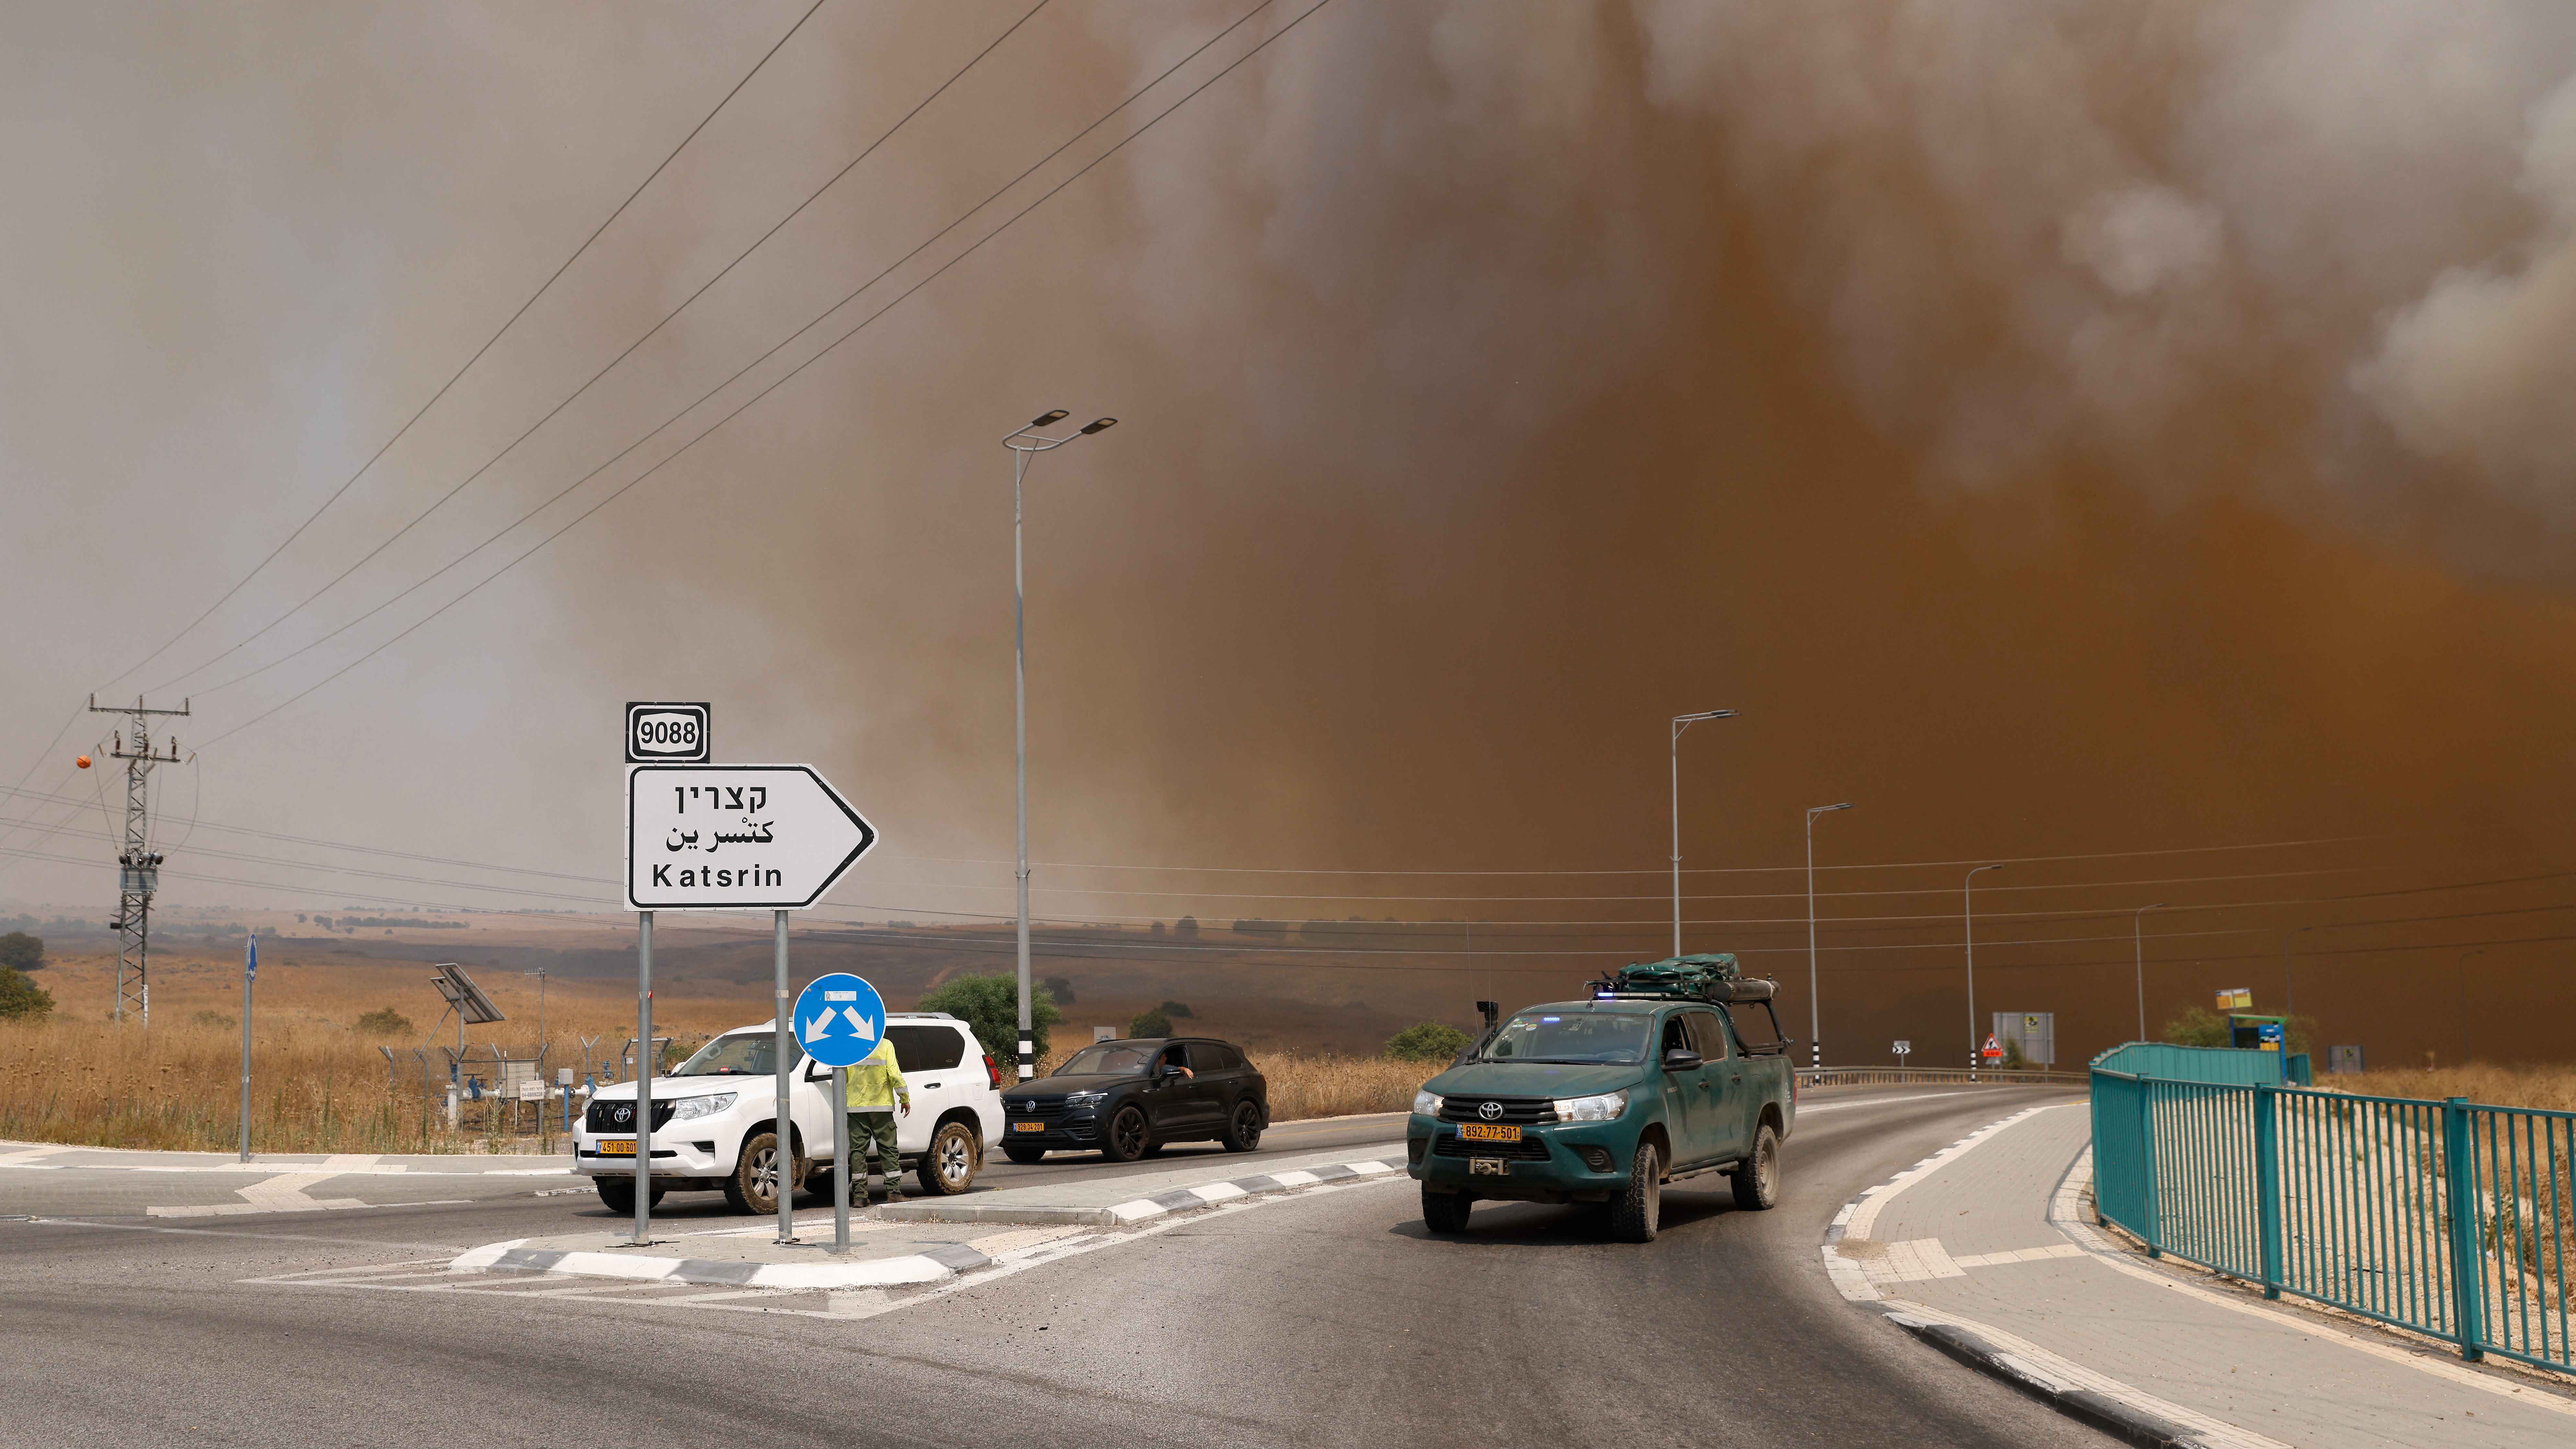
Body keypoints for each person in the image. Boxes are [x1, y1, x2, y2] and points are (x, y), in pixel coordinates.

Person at [846, 1035, 911, 1204]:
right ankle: (894, 1193)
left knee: (858, 1152)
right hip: (882, 1107)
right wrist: (904, 1098)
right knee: (888, 1150)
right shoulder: (885, 1045)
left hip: (856, 1108)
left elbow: (842, 1076)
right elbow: (895, 1074)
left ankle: (860, 1196)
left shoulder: (850, 1045)